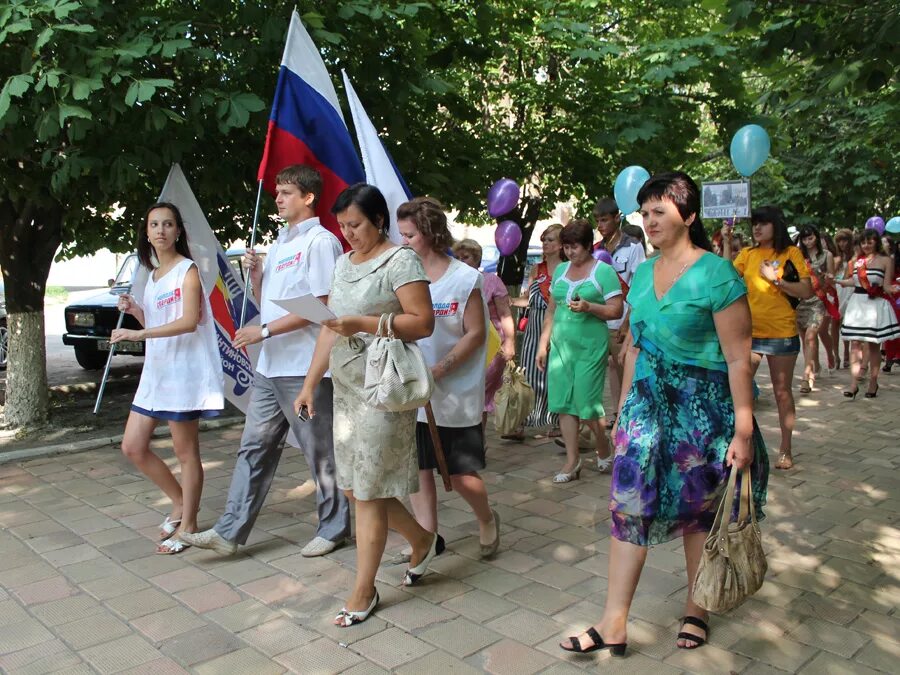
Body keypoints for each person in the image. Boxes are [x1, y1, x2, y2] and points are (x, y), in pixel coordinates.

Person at [560, 171, 768, 657]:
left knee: (699, 513)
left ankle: (697, 608)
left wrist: (742, 428)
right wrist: (623, 408)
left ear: (688, 216)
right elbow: (634, 347)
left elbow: (739, 357)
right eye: (645, 212)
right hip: (648, 412)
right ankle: (613, 622)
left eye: (660, 212)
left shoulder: (716, 273)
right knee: (627, 508)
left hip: (705, 415)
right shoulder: (643, 275)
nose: (649, 221)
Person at [181, 165, 350, 558]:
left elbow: (324, 307)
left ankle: (336, 526)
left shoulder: (321, 242)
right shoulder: (280, 243)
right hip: (270, 368)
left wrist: (266, 332)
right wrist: (257, 276)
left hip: (305, 367)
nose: (277, 198)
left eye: (287, 192)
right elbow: (268, 302)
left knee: (319, 451)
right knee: (253, 448)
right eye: (277, 191)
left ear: (309, 198)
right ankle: (229, 530)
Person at [293, 183, 440, 627]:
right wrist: (308, 383)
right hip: (347, 389)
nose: (348, 233)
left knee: (370, 492)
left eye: (354, 224)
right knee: (356, 487)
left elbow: (423, 323)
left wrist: (367, 323)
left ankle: (364, 589)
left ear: (378, 220)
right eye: (342, 227)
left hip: (383, 388)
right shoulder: (341, 264)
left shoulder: (401, 260)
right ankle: (422, 539)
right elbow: (328, 328)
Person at [113, 202, 224, 554]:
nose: (161, 230)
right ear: (146, 233)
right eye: (154, 224)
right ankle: (179, 502)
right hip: (156, 374)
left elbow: (188, 321)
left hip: (184, 375)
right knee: (132, 446)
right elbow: (156, 323)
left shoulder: (187, 271)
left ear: (178, 231)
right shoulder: (153, 275)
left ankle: (189, 525)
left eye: (168, 224)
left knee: (186, 452)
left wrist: (136, 336)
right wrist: (135, 311)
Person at [402, 199, 500, 560]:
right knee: (418, 468)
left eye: (409, 235)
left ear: (429, 233)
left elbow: (475, 333)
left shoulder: (464, 278)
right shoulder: (404, 277)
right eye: (401, 235)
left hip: (453, 391)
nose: (403, 242)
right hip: (413, 390)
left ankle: (487, 518)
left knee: (459, 474)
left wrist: (440, 369)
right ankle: (427, 540)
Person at [723, 206, 812, 470]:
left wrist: (777, 281)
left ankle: (785, 448)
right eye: (754, 224)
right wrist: (727, 243)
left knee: (782, 392)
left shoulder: (791, 253)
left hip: (781, 333)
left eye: (763, 223)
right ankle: (743, 442)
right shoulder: (748, 254)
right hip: (749, 333)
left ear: (776, 225)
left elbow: (807, 290)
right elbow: (726, 277)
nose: (757, 228)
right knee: (740, 389)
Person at [537, 219, 624, 481]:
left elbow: (616, 310)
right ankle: (572, 462)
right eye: (567, 247)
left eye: (576, 247)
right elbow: (552, 309)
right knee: (563, 403)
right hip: (561, 347)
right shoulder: (562, 270)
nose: (571, 253)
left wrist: (590, 307)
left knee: (587, 404)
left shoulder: (603, 272)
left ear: (588, 246)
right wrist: (544, 343)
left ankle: (602, 444)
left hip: (590, 346)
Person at [452, 238, 516, 428]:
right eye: (457, 257)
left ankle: (477, 440)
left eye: (466, 257)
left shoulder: (491, 281)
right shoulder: (452, 282)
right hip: (461, 343)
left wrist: (510, 342)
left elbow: (505, 313)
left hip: (491, 344)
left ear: (477, 259)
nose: (461, 261)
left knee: (481, 393)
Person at [593, 198, 646, 424]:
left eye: (604, 220)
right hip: (598, 320)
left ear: (617, 218)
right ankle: (611, 416)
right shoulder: (595, 249)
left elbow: (638, 287)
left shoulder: (633, 247)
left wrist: (626, 323)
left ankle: (628, 417)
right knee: (600, 373)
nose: (600, 226)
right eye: (597, 221)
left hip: (622, 320)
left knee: (624, 368)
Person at [510, 225, 564, 438]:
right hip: (534, 327)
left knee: (556, 375)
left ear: (561, 244)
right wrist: (512, 301)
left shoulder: (567, 269)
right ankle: (522, 421)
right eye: (544, 239)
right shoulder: (536, 269)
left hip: (558, 326)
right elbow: (530, 300)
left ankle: (558, 420)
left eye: (551, 239)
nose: (546, 243)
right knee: (528, 376)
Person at [836, 229, 900, 397]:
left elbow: (886, 286)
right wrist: (837, 281)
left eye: (869, 242)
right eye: (863, 242)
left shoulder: (886, 260)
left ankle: (873, 381)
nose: (866, 245)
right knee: (854, 344)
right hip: (857, 304)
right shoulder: (857, 261)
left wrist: (893, 288)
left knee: (873, 346)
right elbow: (853, 280)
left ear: (876, 242)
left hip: (874, 306)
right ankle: (853, 384)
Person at [795, 224, 836, 392]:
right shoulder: (797, 256)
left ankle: (807, 376)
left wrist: (829, 278)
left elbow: (831, 279)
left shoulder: (827, 255)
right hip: (799, 301)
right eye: (804, 239)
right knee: (805, 338)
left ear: (817, 237)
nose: (807, 241)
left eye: (810, 237)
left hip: (818, 300)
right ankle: (814, 365)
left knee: (811, 336)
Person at [833, 229, 857, 368]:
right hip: (837, 291)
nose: (842, 243)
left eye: (845, 240)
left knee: (847, 323)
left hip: (850, 291)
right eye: (839, 241)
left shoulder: (856, 258)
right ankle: (836, 356)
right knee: (835, 323)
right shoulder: (836, 258)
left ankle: (847, 354)